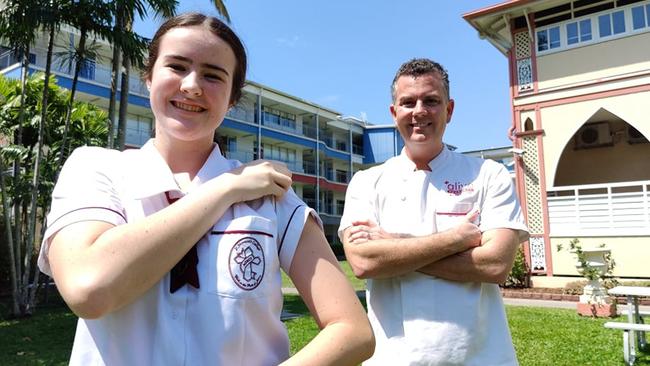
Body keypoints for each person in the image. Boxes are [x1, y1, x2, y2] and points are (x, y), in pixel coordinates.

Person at [38, 13, 374, 366]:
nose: (192, 85)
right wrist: (224, 190)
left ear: (232, 99)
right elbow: (89, 289)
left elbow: (352, 330)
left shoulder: (271, 197)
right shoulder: (96, 169)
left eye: (213, 75)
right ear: (149, 77)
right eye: (177, 66)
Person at [339, 58, 529, 365]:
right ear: (394, 112)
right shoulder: (366, 182)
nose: (419, 111)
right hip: (393, 358)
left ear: (449, 110)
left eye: (431, 101)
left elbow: (496, 265)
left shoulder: (488, 175)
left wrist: (394, 244)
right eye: (408, 102)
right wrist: (456, 239)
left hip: (480, 357)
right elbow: (363, 261)